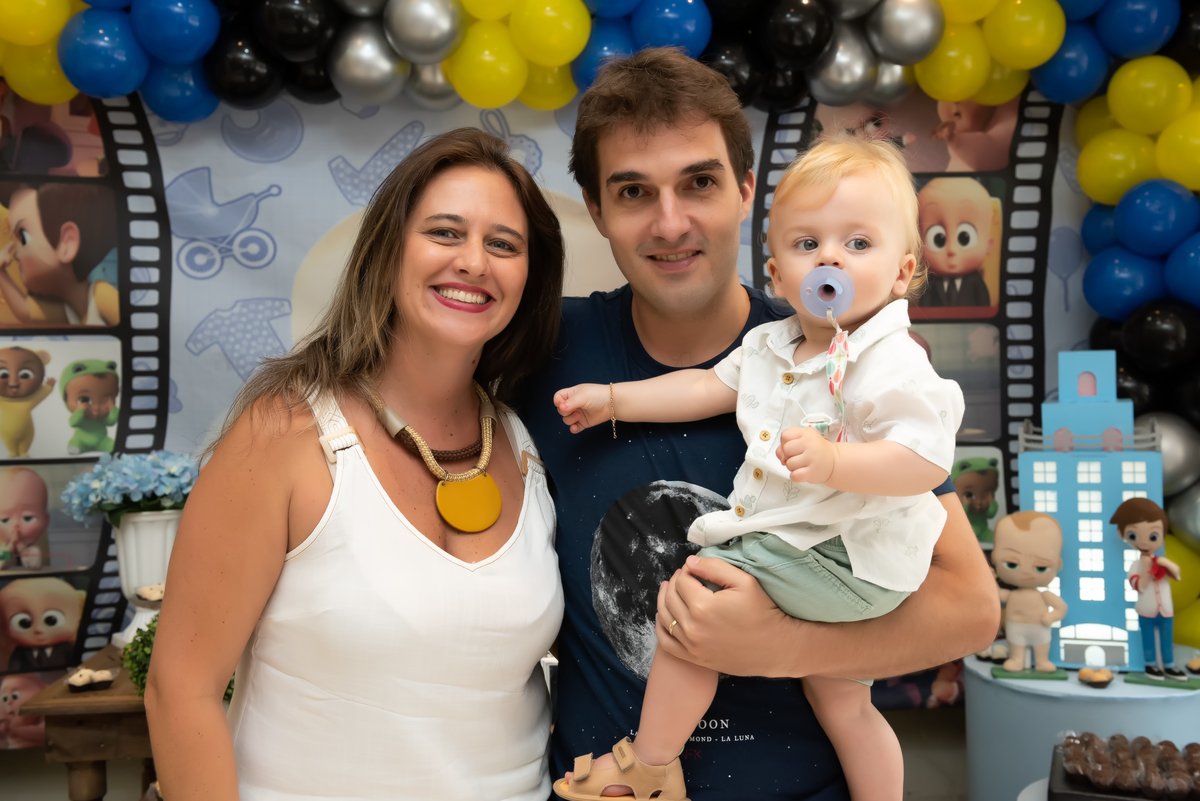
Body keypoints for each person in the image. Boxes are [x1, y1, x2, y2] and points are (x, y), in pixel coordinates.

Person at [515, 48, 1000, 800]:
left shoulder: (845, 356)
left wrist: (781, 645)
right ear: (596, 208)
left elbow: (970, 611)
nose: (671, 221)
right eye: (634, 191)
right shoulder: (543, 351)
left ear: (745, 190)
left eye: (700, 182)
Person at [144, 128, 567, 801]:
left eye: (503, 245)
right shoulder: (284, 434)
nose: (473, 262)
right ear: (388, 250)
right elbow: (180, 690)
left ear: (530, 277)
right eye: (445, 232)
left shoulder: (526, 444)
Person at [1112, 497, 1186, 680]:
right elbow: (1140, 586)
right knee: (1148, 639)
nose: (1145, 543)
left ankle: (1169, 665)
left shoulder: (1161, 562)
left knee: (1167, 639)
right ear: (1122, 534)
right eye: (1133, 535)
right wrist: (1146, 568)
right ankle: (1151, 665)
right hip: (1145, 610)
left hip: (1166, 610)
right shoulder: (1135, 567)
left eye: (1153, 536)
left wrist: (1164, 562)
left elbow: (1177, 574)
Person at [990, 511, 1067, 673]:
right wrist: (990, 580)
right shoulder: (1011, 595)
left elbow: (1061, 608)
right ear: (995, 557)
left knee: (1041, 645)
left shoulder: (1044, 595)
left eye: (1041, 567)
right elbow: (996, 595)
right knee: (1016, 645)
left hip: (1040, 627)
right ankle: (1016, 659)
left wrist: (1051, 616)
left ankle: (1042, 661)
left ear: (1058, 564)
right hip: (1015, 627)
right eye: (1012, 564)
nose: (1026, 572)